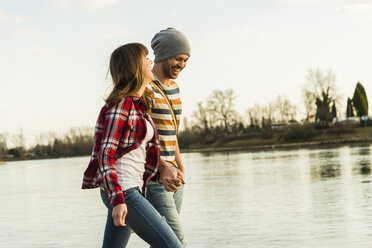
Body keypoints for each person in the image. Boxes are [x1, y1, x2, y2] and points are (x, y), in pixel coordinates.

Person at [81, 43, 183, 248]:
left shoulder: (139, 105)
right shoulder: (121, 105)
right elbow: (105, 154)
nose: (151, 61)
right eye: (146, 58)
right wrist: (118, 199)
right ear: (135, 66)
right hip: (124, 191)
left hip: (130, 189)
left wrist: (164, 169)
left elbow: (138, 154)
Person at [146, 27, 190, 247]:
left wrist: (181, 168)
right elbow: (138, 139)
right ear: (163, 55)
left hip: (175, 176)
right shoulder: (145, 88)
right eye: (178, 58)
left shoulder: (175, 88)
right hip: (155, 176)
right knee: (175, 240)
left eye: (186, 60)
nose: (181, 65)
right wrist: (164, 166)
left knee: (163, 242)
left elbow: (172, 133)